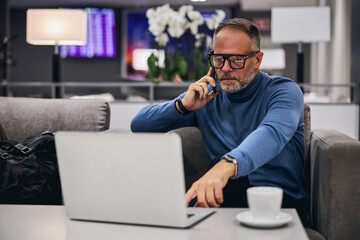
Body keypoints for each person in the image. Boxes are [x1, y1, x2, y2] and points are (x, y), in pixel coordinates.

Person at [131, 18, 308, 224]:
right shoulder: (207, 96)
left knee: (217, 168)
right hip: (226, 197)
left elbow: (272, 133)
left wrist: (225, 167)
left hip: (279, 201)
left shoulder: (283, 91)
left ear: (257, 60)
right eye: (219, 59)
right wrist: (183, 106)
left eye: (236, 60)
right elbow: (139, 125)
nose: (225, 68)